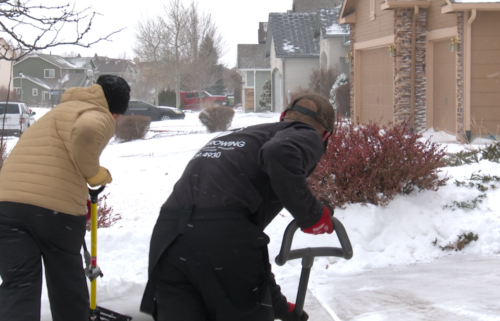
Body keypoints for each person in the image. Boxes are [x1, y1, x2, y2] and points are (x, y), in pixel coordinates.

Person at [141, 92, 336, 321]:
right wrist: (312, 215)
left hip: (168, 239)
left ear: (283, 116)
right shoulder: (306, 134)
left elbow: (240, 263)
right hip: (220, 235)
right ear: (326, 135)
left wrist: (283, 310)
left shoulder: (246, 136)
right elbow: (279, 153)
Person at [0, 75, 130, 321]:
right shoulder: (98, 114)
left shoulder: (57, 113)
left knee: (19, 285)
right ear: (115, 111)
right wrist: (94, 174)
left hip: (7, 207)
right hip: (54, 212)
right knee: (66, 286)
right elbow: (86, 131)